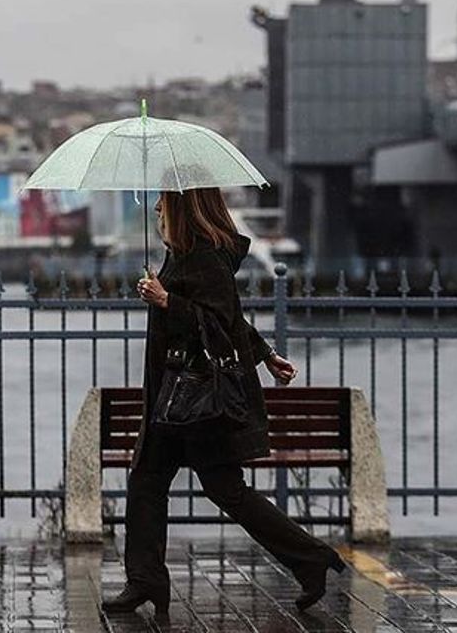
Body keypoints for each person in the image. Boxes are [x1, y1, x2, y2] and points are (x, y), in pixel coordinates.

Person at [102, 187, 345, 619]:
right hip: (173, 400)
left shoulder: (206, 258)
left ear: (184, 206)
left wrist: (166, 301)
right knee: (146, 482)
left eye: (164, 200)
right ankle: (145, 580)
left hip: (196, 401)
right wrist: (267, 355)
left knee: (225, 490)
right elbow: (230, 318)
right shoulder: (183, 255)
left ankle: (310, 557)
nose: (157, 207)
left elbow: (215, 323)